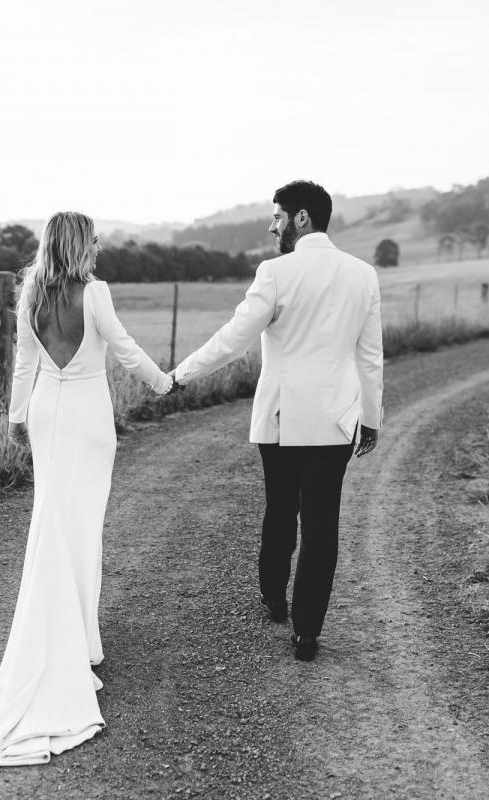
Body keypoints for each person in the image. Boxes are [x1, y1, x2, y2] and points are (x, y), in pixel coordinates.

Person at [0, 211, 173, 766]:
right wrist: (162, 380)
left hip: (49, 412)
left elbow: (25, 363)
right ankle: (78, 645)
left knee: (51, 516)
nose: (98, 247)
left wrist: (16, 417)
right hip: (89, 417)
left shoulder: (29, 295)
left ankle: (80, 641)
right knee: (79, 528)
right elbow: (122, 348)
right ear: (78, 244)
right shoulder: (95, 294)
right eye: (93, 239)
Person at [170, 180, 383, 662]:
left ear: (301, 218)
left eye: (277, 217)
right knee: (323, 524)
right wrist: (370, 419)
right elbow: (370, 356)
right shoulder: (363, 275)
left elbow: (233, 339)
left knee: (281, 506)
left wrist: (182, 374)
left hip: (284, 419)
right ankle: (307, 632)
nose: (272, 227)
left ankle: (273, 597)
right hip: (336, 420)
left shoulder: (276, 272)